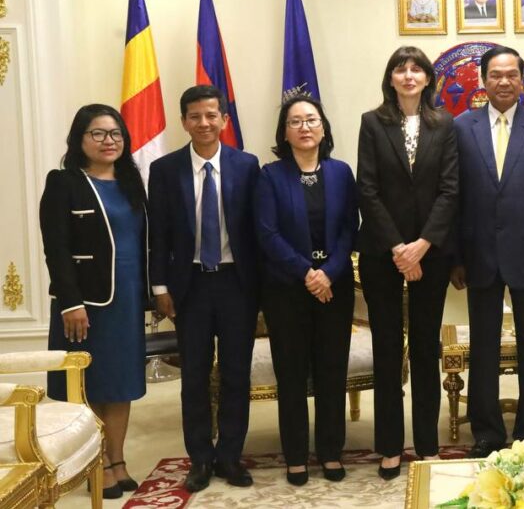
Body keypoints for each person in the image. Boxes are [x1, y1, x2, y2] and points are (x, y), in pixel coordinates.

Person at [451, 45, 524, 457]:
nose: (503, 81)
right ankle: (486, 431)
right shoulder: (460, 127)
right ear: (483, 80)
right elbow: (454, 197)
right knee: (484, 347)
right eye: (496, 75)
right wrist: (456, 257)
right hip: (478, 253)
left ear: (521, 80)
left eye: (511, 74)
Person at [148, 85, 261, 493]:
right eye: (195, 116)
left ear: (224, 120)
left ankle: (230, 455)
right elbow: (158, 233)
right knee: (193, 375)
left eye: (212, 115)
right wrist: (160, 286)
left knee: (236, 373)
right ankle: (199, 458)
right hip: (189, 285)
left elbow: (256, 229)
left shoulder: (247, 165)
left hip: (236, 284)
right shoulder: (165, 169)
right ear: (184, 122)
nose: (204, 123)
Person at [357, 46, 459, 480]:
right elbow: (367, 189)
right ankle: (389, 446)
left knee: (424, 347)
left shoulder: (445, 124)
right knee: (386, 349)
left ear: (428, 78)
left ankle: (428, 444)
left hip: (431, 254)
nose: (409, 75)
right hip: (383, 252)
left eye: (417, 68)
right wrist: (400, 248)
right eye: (401, 69)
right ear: (391, 78)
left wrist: (422, 246)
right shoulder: (372, 122)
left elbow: (451, 190)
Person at [40, 104, 150, 499]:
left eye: (116, 134)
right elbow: (56, 248)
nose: (109, 141)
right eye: (98, 133)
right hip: (86, 305)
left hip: (127, 301)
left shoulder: (131, 183)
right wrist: (70, 302)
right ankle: (96, 463)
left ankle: (117, 460)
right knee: (90, 384)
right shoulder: (63, 182)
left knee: (121, 384)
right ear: (80, 139)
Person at [255, 96, 358, 486]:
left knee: (332, 371)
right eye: (295, 121)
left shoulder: (341, 172)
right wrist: (307, 273)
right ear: (284, 132)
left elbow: (349, 228)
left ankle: (330, 452)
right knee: (292, 374)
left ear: (323, 127)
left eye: (311, 120)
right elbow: (267, 233)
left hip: (334, 288)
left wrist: (328, 273)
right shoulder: (270, 175)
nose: (304, 127)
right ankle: (296, 456)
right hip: (286, 289)